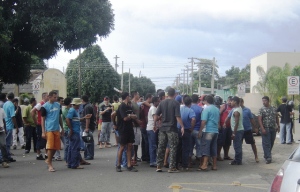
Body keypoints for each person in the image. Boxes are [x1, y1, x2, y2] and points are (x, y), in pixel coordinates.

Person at [154, 88, 184, 173]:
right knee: (173, 147)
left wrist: (154, 125)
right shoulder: (176, 103)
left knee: (161, 147)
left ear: (168, 94)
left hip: (163, 128)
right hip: (172, 128)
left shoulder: (162, 103)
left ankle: (159, 166)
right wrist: (182, 126)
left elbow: (156, 114)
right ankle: (172, 167)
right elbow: (177, 116)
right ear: (174, 94)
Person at [66, 98, 92, 169]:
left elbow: (76, 119)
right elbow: (67, 119)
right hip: (74, 131)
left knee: (71, 148)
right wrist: (71, 129)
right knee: (75, 148)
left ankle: (70, 163)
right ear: (77, 104)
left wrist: (84, 117)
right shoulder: (72, 110)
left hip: (74, 131)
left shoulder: (74, 110)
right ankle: (74, 164)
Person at [41, 91, 64, 172]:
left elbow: (60, 118)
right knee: (50, 147)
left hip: (56, 128)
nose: (56, 98)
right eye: (54, 97)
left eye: (56, 97)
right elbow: (43, 120)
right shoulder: (44, 106)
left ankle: (48, 159)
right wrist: (43, 131)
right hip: (49, 129)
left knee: (56, 147)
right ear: (49, 97)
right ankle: (50, 164)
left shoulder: (58, 105)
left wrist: (62, 128)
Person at [116, 92, 138, 172]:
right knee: (122, 147)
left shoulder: (129, 107)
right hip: (123, 129)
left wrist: (130, 116)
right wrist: (130, 116)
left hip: (130, 129)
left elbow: (134, 116)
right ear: (126, 97)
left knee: (130, 146)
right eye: (129, 96)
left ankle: (129, 165)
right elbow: (124, 118)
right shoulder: (122, 106)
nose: (130, 97)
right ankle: (118, 165)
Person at [197, 95, 220, 171]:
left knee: (206, 147)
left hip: (208, 131)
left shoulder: (206, 109)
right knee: (213, 147)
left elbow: (204, 121)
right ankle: (215, 165)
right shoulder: (216, 109)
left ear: (206, 101)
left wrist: (200, 131)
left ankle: (204, 164)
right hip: (215, 131)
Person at [258, 96, 279, 164]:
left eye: (265, 101)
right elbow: (259, 119)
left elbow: (276, 117)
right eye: (263, 101)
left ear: (268, 101)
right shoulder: (261, 109)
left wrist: (278, 126)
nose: (263, 102)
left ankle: (267, 154)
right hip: (265, 128)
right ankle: (268, 157)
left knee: (271, 142)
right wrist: (262, 128)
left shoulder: (273, 108)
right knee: (266, 143)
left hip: (273, 128)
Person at [177, 95, 195, 171]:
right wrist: (192, 128)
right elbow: (193, 119)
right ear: (190, 103)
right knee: (186, 148)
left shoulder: (179, 109)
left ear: (183, 102)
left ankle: (176, 164)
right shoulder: (190, 110)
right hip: (187, 130)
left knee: (178, 147)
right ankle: (184, 165)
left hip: (178, 129)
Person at [240, 98, 259, 163]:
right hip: (240, 130)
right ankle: (239, 157)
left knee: (252, 143)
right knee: (239, 144)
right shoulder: (236, 110)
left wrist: (255, 127)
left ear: (242, 102)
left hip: (247, 129)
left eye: (240, 103)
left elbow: (251, 119)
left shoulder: (247, 110)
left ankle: (256, 156)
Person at [31, 92, 48, 159]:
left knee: (45, 139)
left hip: (44, 123)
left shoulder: (46, 104)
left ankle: (46, 153)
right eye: (47, 96)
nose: (48, 97)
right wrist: (36, 121)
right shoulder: (40, 104)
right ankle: (38, 154)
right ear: (44, 97)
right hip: (40, 124)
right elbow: (32, 111)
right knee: (40, 138)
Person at [228, 96, 244, 165]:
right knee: (238, 145)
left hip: (237, 131)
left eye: (231, 101)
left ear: (235, 102)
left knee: (237, 146)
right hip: (239, 130)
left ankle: (238, 160)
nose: (230, 102)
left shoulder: (236, 111)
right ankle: (238, 159)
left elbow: (236, 123)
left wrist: (234, 133)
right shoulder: (238, 109)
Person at [3, 92, 18, 162]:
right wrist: (16, 126)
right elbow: (13, 116)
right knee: (8, 143)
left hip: (5, 124)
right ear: (13, 98)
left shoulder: (4, 104)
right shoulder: (11, 105)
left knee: (5, 142)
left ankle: (7, 155)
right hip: (9, 125)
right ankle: (7, 156)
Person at [80, 95, 96, 160]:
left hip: (87, 126)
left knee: (88, 140)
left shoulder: (87, 107)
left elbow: (87, 118)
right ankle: (87, 154)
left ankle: (89, 154)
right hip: (89, 125)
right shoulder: (89, 106)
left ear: (83, 100)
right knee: (87, 140)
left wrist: (87, 127)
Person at [218, 96, 233, 161]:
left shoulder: (233, 108)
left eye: (231, 101)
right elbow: (218, 114)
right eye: (229, 100)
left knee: (228, 142)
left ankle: (226, 155)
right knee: (221, 141)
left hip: (230, 127)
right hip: (223, 126)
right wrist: (218, 124)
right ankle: (218, 155)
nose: (230, 102)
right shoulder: (224, 106)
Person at [189, 94, 203, 166]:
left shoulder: (188, 108)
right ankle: (200, 163)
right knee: (199, 146)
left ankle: (190, 162)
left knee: (190, 146)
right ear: (198, 100)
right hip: (198, 130)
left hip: (189, 130)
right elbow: (203, 120)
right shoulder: (200, 109)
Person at [147, 96, 160, 167]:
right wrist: (155, 125)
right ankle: (153, 161)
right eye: (158, 101)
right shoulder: (154, 109)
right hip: (152, 128)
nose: (159, 102)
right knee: (153, 145)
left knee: (152, 145)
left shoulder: (152, 108)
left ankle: (152, 160)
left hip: (150, 128)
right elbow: (155, 118)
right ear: (155, 102)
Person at [140, 93, 152, 162]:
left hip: (142, 125)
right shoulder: (146, 106)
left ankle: (144, 156)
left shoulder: (143, 105)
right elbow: (146, 116)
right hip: (145, 125)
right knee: (147, 141)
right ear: (149, 98)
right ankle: (147, 157)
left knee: (144, 142)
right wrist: (149, 124)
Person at [131, 91, 142, 166]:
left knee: (137, 143)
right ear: (135, 95)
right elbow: (131, 114)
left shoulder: (137, 104)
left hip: (137, 126)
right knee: (133, 143)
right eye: (138, 94)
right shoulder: (131, 103)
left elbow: (137, 113)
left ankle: (135, 157)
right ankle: (132, 158)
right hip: (133, 126)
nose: (139, 95)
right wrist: (136, 120)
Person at [62, 97, 72, 163]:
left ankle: (68, 158)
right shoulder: (65, 110)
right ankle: (66, 158)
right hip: (66, 128)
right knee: (67, 144)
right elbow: (67, 119)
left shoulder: (69, 109)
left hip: (67, 128)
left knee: (68, 144)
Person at [0, 102, 9, 168]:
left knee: (3, 145)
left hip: (1, 131)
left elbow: (4, 120)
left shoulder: (2, 110)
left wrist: (5, 129)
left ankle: (4, 161)